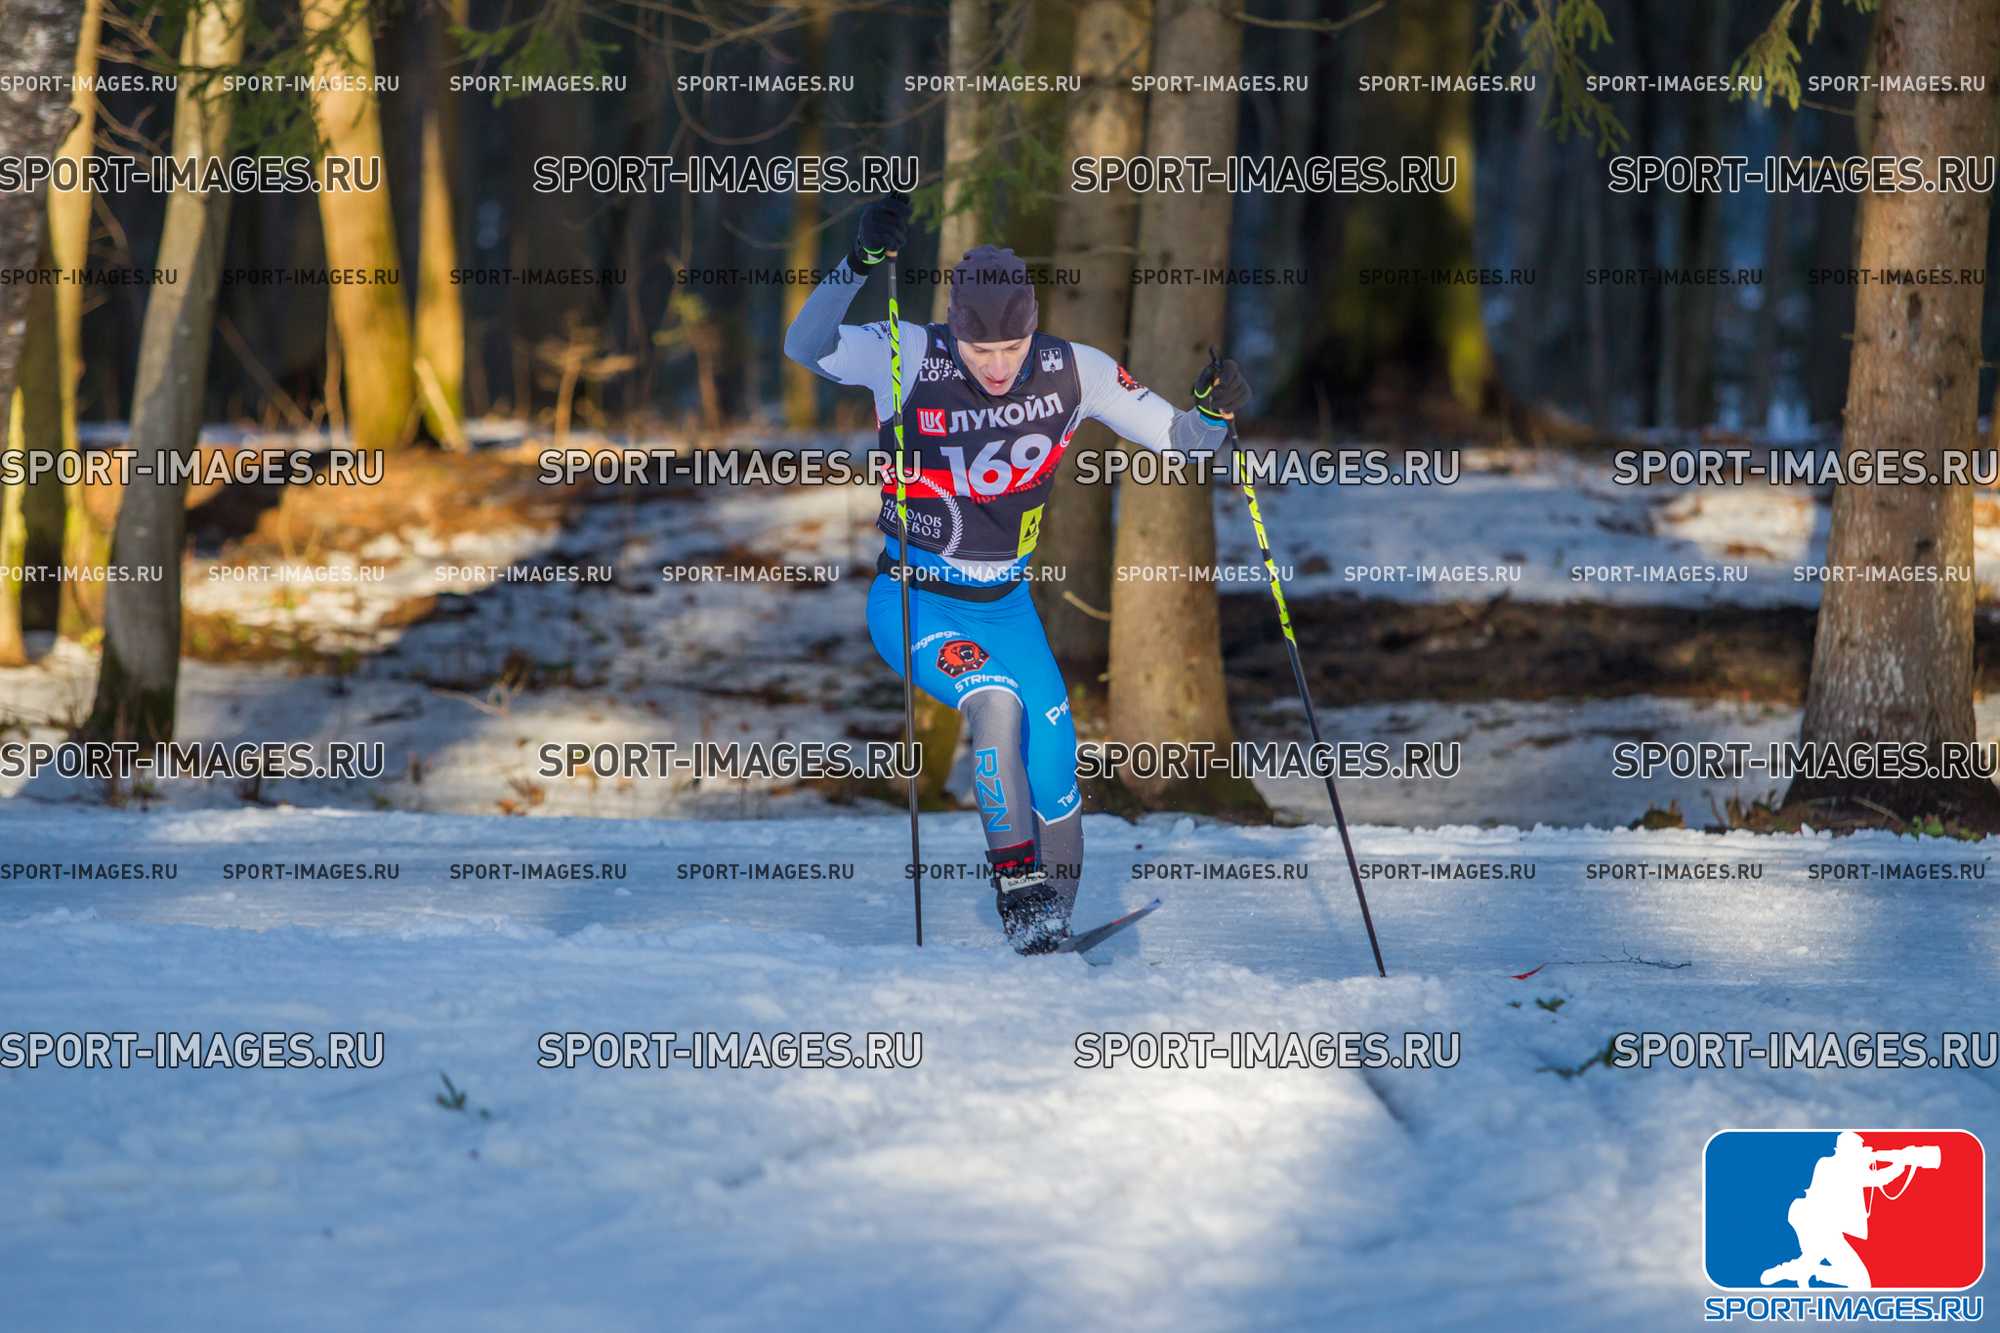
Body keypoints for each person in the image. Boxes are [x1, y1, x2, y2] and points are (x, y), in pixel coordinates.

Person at [783, 192, 1250, 953]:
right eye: (981, 351)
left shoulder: (1075, 370)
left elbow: (1186, 442)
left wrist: (1214, 409)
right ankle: (1019, 895)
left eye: (1012, 348)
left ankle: (1051, 929)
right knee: (994, 702)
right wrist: (860, 261)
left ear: (1034, 328)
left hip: (1007, 607)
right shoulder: (907, 354)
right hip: (916, 601)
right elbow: (805, 345)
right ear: (955, 331)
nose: (998, 367)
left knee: (1057, 766)